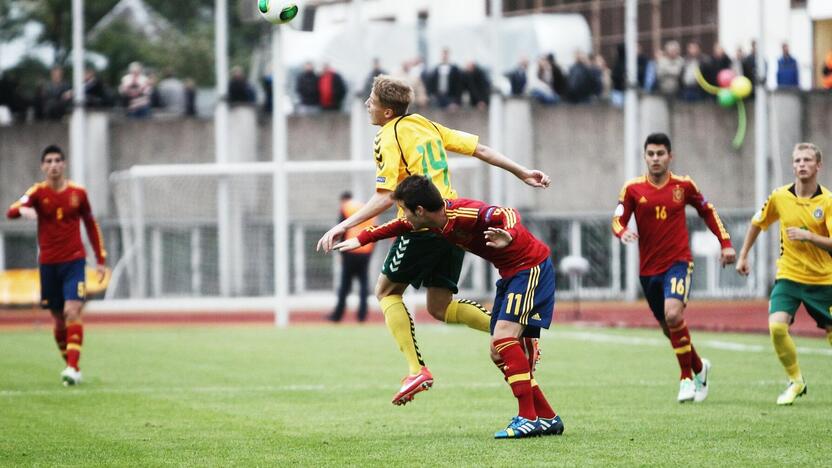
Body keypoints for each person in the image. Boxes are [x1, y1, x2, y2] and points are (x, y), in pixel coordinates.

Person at [316, 75, 550, 406]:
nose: (367, 104)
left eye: (372, 101)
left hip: (420, 223)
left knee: (385, 291)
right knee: (439, 306)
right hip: (450, 220)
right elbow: (480, 149)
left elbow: (386, 195)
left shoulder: (387, 135)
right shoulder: (425, 124)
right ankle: (519, 334)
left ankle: (416, 370)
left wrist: (347, 225)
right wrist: (522, 171)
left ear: (386, 112)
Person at [334, 175, 563, 438]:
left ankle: (527, 418)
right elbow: (397, 226)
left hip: (529, 268)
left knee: (502, 340)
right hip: (511, 275)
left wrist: (508, 235)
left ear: (419, 210)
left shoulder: (462, 211)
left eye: (405, 210)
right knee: (498, 351)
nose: (404, 216)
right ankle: (546, 416)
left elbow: (506, 212)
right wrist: (360, 239)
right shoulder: (430, 222)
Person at [611, 133, 735, 402]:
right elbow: (617, 219)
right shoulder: (632, 188)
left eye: (660, 154)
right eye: (651, 154)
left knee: (674, 315)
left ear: (670, 156)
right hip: (648, 270)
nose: (655, 159)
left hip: (678, 262)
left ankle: (686, 379)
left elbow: (708, 211)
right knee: (669, 327)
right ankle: (700, 367)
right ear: (644, 157)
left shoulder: (684, 185)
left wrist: (725, 242)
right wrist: (622, 233)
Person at [736, 142, 832, 405]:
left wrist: (809, 236)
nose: (801, 164)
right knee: (777, 327)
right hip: (788, 277)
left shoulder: (828, 201)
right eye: (797, 160)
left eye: (807, 160)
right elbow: (758, 222)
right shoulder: (779, 197)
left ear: (818, 165)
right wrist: (743, 255)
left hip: (823, 280)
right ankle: (796, 381)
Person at [5, 145, 107, 386]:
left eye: (57, 160)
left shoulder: (78, 193)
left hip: (74, 262)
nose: (53, 165)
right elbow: (11, 211)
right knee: (58, 319)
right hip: (49, 265)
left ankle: (72, 367)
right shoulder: (37, 193)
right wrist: (24, 210)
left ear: (64, 164)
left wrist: (100, 259)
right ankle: (72, 365)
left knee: (72, 311)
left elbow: (92, 225)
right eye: (49, 161)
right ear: (43, 166)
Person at [328, 192, 377, 322]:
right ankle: (362, 315)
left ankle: (337, 315)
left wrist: (341, 253)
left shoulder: (346, 208)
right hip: (365, 249)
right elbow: (375, 230)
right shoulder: (365, 207)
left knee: (345, 284)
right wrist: (370, 252)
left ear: (343, 199)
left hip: (350, 249)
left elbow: (341, 231)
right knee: (363, 283)